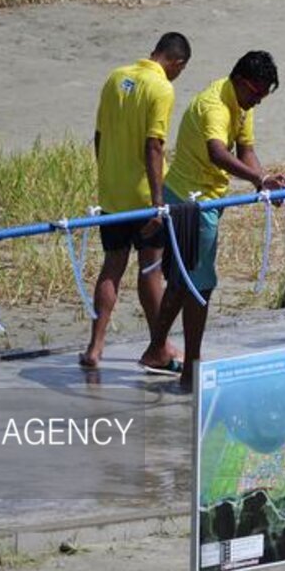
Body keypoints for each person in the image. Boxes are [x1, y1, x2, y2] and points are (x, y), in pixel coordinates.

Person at [150, 50, 285, 391]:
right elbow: (218, 152)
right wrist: (258, 181)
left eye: (263, 97)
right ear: (242, 82)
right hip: (190, 201)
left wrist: (266, 182)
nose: (258, 102)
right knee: (201, 287)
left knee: (184, 282)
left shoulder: (242, 105)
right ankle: (191, 371)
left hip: (209, 197)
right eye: (256, 94)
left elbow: (245, 150)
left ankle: (155, 348)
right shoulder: (213, 105)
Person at [80, 32, 191, 371]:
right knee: (151, 270)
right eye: (180, 71)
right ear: (177, 63)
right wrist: (158, 203)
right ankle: (160, 346)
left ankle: (95, 348)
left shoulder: (116, 77)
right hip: (144, 198)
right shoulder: (162, 88)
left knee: (112, 267)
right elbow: (154, 145)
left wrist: (107, 175)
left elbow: (98, 135)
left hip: (112, 194)